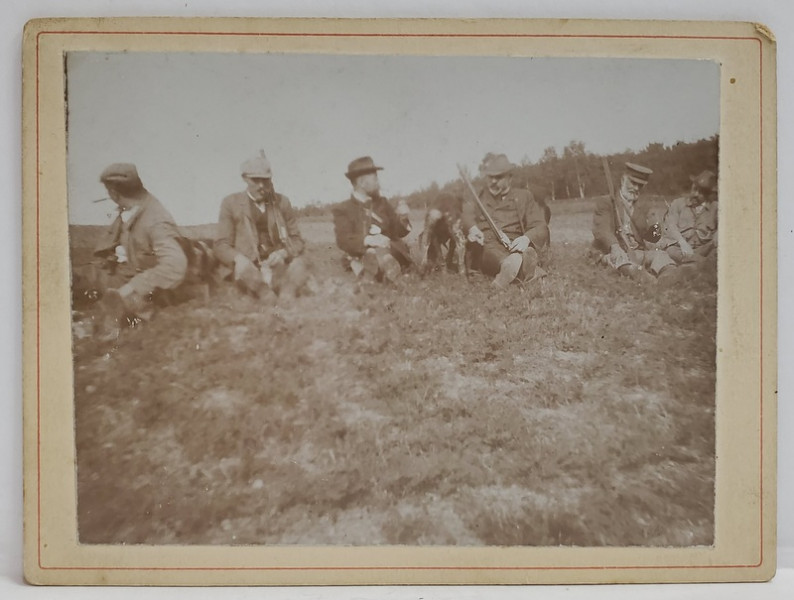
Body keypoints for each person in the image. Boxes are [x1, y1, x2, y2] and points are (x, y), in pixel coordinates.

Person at [76, 163, 190, 335]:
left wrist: (131, 288)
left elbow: (175, 266)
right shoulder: (132, 209)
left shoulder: (156, 221)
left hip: (138, 287)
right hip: (116, 274)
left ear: (113, 193)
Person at [214, 152, 311, 301]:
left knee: (300, 264)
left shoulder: (282, 202)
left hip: (279, 266)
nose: (261, 186)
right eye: (255, 180)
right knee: (246, 272)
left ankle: (286, 294)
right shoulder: (230, 203)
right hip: (250, 269)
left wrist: (283, 253)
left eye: (265, 180)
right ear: (245, 178)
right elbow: (221, 245)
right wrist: (238, 258)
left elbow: (297, 240)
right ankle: (264, 293)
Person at [461, 154, 550, 288]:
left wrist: (526, 238)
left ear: (510, 178)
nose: (493, 181)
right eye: (490, 177)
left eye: (498, 177)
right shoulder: (477, 196)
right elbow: (466, 215)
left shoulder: (524, 196)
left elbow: (540, 226)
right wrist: (472, 228)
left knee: (520, 255)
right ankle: (522, 269)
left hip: (513, 245)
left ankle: (514, 270)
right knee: (498, 254)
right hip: (485, 246)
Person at [591, 161, 679, 282]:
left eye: (640, 185)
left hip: (637, 253)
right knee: (622, 261)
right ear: (623, 180)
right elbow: (602, 230)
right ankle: (639, 275)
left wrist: (655, 236)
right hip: (613, 253)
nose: (636, 188)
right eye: (633, 183)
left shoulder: (645, 207)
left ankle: (667, 278)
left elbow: (654, 233)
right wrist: (615, 247)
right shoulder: (606, 202)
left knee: (662, 258)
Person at [332, 156, 413, 284]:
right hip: (361, 253)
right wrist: (368, 240)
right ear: (361, 183)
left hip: (389, 250)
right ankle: (382, 267)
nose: (378, 182)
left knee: (383, 253)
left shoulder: (383, 203)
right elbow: (343, 240)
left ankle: (377, 268)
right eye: (374, 178)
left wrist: (403, 218)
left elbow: (397, 233)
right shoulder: (343, 209)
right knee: (371, 253)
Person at [662, 169, 718, 264]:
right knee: (670, 251)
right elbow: (670, 227)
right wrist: (682, 243)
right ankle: (702, 263)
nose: (695, 194)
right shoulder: (678, 204)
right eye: (694, 189)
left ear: (708, 194)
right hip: (680, 249)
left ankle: (698, 262)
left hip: (704, 250)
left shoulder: (716, 208)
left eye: (701, 192)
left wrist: (714, 241)